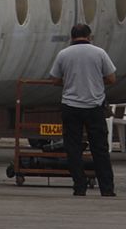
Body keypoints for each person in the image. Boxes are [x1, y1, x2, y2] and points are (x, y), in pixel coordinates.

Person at [49, 23, 117, 197]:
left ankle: (79, 187)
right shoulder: (99, 53)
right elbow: (111, 78)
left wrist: (70, 82)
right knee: (99, 149)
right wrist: (94, 81)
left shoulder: (63, 54)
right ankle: (107, 189)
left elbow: (54, 80)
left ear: (72, 37)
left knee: (73, 149)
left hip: (71, 107)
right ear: (89, 36)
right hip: (94, 107)